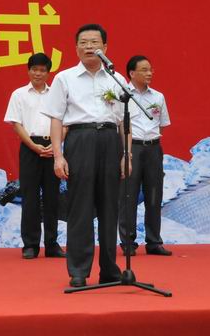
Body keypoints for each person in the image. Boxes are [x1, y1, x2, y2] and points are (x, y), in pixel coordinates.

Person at [44, 23, 125, 288]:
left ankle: (110, 268)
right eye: (84, 42)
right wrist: (58, 156)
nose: (89, 47)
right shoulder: (64, 78)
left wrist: (126, 154)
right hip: (80, 139)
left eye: (95, 42)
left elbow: (124, 122)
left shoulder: (116, 79)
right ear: (76, 47)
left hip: (110, 139)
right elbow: (56, 119)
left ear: (105, 47)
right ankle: (78, 270)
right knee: (80, 207)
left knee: (110, 207)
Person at [4, 52, 64, 259]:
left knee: (52, 196)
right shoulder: (19, 94)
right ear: (28, 71)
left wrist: (56, 144)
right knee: (29, 197)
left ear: (48, 73)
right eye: (34, 69)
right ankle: (30, 244)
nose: (38, 74)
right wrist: (33, 146)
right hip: (30, 147)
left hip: (53, 146)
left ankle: (52, 243)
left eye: (42, 70)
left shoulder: (57, 94)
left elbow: (65, 122)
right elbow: (16, 124)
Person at [119, 55, 173, 256]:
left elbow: (161, 124)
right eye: (144, 70)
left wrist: (151, 142)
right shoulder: (122, 95)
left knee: (154, 194)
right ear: (132, 73)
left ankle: (154, 241)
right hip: (131, 147)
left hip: (153, 148)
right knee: (128, 195)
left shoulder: (158, 96)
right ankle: (128, 242)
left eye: (151, 69)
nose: (149, 73)